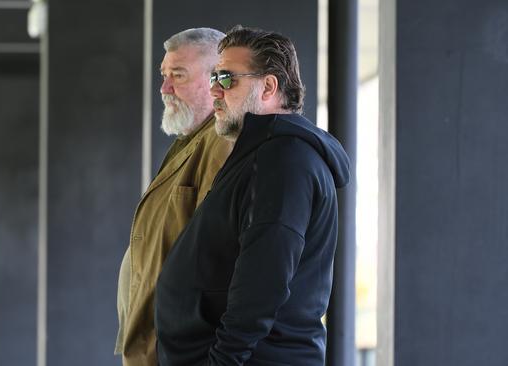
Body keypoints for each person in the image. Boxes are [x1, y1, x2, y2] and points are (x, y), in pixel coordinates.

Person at [155, 26, 351, 365]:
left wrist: (222, 360)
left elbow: (263, 283)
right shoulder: (260, 152)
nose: (214, 89)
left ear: (269, 87)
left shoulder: (284, 160)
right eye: (214, 76)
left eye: (227, 79)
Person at [116, 28, 232, 366]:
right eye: (164, 76)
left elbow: (213, 257)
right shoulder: (189, 140)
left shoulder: (220, 144)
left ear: (215, 80)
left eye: (177, 76)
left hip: (177, 349)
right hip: (156, 342)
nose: (165, 89)